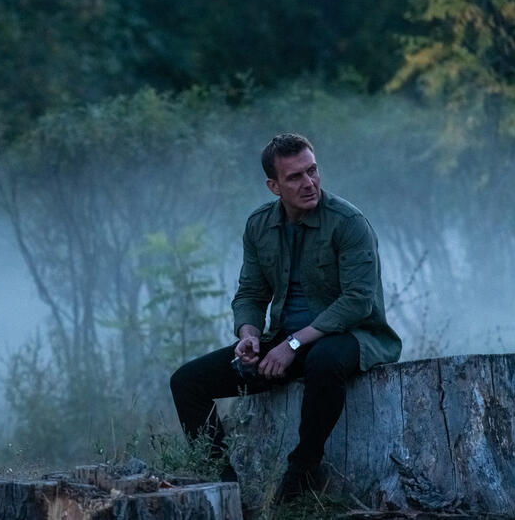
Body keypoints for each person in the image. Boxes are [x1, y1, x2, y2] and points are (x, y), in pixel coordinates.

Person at [169, 133, 402, 502]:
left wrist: (292, 344)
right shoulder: (259, 225)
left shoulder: (348, 221)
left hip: (351, 336)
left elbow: (358, 301)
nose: (309, 183)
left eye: (312, 170)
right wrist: (249, 336)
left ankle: (302, 472)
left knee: (324, 361)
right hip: (284, 339)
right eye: (295, 177)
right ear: (273, 186)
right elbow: (250, 293)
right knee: (187, 382)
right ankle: (226, 489)